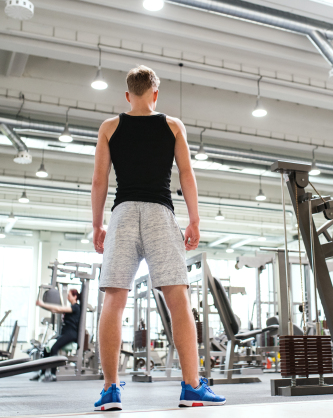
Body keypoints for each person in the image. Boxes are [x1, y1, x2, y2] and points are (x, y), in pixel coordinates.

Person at [91, 65, 226, 410]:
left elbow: (99, 182)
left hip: (122, 214)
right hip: (159, 213)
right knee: (178, 300)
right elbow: (186, 174)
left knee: (114, 300)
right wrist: (194, 220)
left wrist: (97, 225)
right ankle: (192, 387)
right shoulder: (172, 125)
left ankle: (110, 391)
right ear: (155, 93)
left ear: (127, 95)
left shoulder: (109, 127)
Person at [33, 288, 81, 382]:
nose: (67, 297)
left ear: (75, 296)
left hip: (71, 334)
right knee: (47, 348)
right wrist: (41, 305)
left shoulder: (76, 307)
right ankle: (42, 373)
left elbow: (58, 308)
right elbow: (54, 310)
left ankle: (53, 374)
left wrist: (42, 304)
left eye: (69, 295)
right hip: (65, 333)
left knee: (54, 348)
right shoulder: (70, 307)